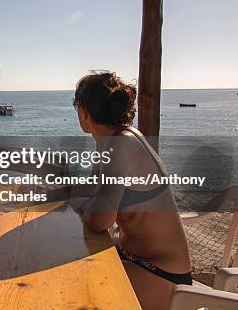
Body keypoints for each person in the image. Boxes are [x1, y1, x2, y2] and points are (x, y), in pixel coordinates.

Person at [71, 71, 191, 310]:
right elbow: (95, 193)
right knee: (70, 266)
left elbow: (99, 221)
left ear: (84, 112)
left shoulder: (119, 147)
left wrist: (80, 203)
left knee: (77, 291)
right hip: (136, 257)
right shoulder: (119, 138)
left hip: (162, 275)